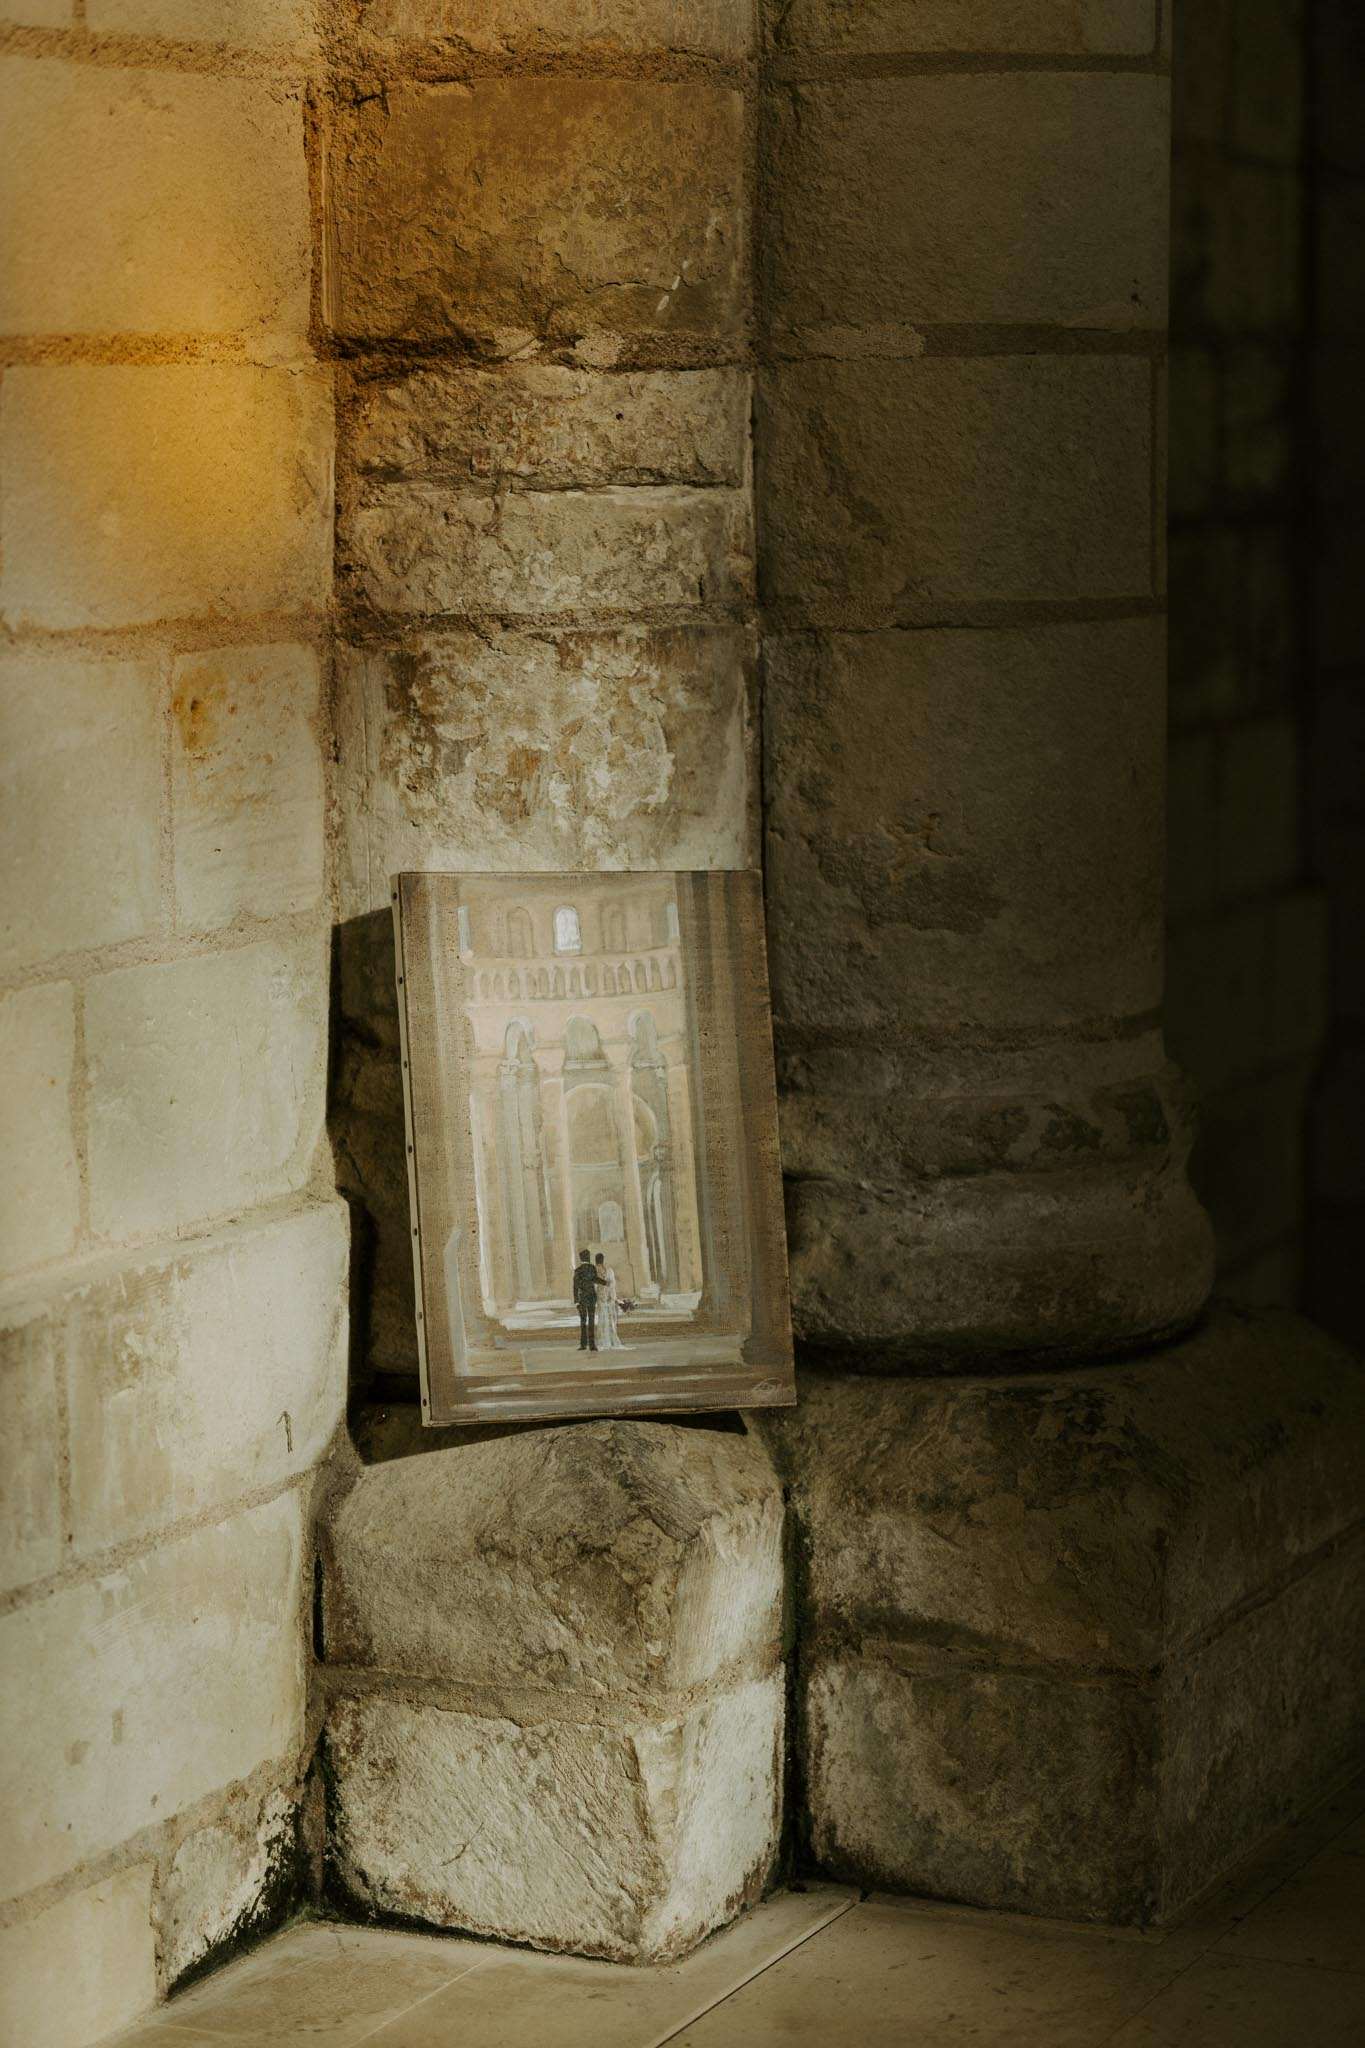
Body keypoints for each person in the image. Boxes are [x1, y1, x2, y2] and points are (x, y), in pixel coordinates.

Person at [594, 1252, 626, 1349]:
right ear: (603, 1260)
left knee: (603, 1320)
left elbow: (595, 1287)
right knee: (610, 1320)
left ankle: (604, 1341)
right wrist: (612, 1297)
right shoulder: (609, 1271)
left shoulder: (595, 1272)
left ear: (596, 1261)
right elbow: (612, 1286)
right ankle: (611, 1341)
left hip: (602, 1299)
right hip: (608, 1299)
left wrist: (600, 1296)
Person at [572, 1250, 598, 1352]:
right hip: (592, 1297)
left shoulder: (577, 1270)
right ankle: (592, 1345)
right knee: (591, 1321)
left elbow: (575, 1287)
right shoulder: (592, 1268)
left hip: (582, 1299)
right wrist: (605, 1283)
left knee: (583, 1321)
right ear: (588, 1258)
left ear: (581, 1258)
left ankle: (583, 1345)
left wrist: (576, 1301)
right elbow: (595, 1280)